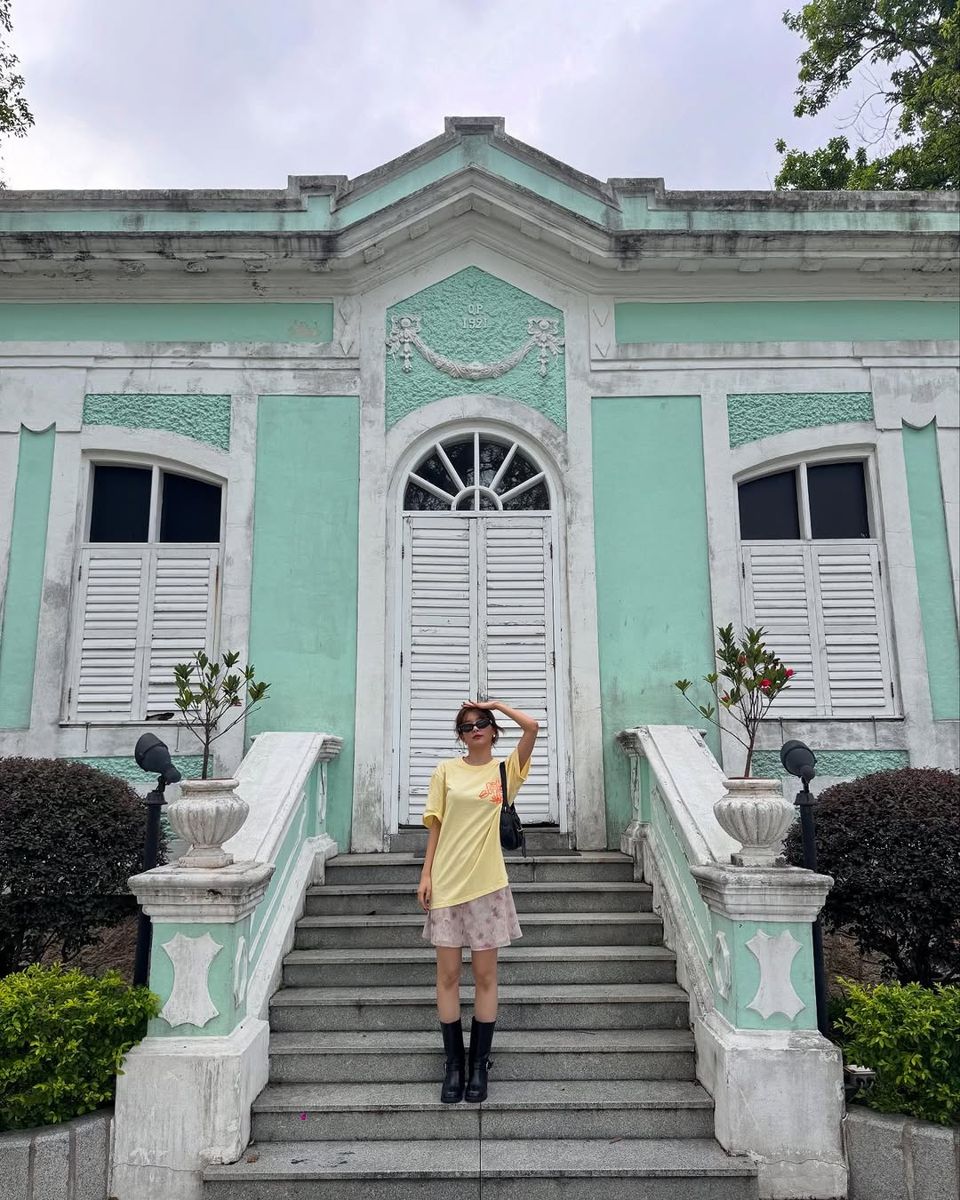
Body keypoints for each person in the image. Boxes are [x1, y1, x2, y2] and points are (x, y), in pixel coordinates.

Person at [417, 698, 539, 1104]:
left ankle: (479, 1064)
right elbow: (435, 826)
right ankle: (454, 1064)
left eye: (482, 723)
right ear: (460, 735)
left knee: (486, 977)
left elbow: (532, 728)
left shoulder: (505, 772)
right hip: (447, 885)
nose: (475, 730)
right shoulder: (445, 772)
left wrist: (497, 704)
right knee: (448, 977)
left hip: (487, 886)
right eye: (467, 726)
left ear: (493, 729)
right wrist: (426, 874)